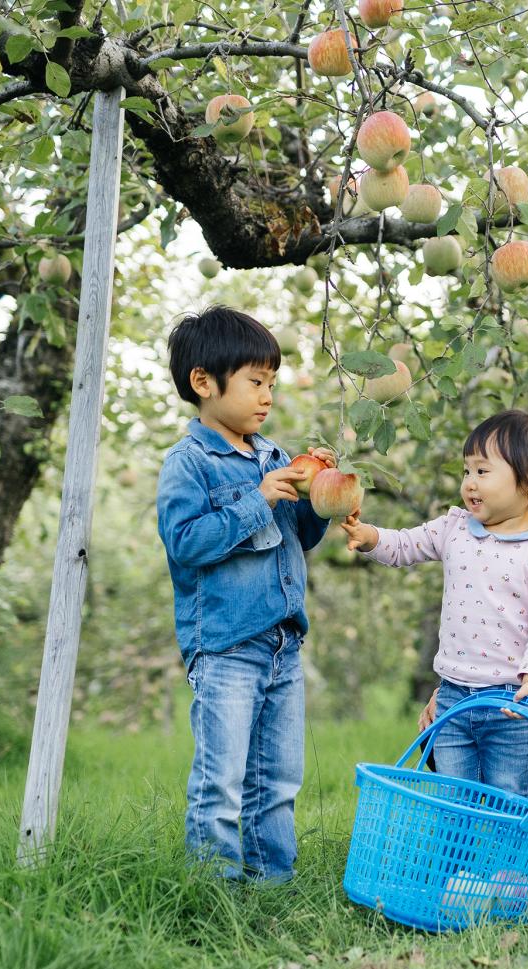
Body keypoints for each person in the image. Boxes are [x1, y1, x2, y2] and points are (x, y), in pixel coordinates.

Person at [155, 306, 335, 882]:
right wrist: (258, 499)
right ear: (203, 382)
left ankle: (272, 888)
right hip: (227, 647)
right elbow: (186, 542)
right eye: (255, 382)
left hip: (284, 644)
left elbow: (301, 539)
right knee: (222, 781)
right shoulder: (189, 464)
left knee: (279, 779)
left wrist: (319, 496)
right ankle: (214, 893)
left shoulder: (275, 455)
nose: (267, 397)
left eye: (272, 385)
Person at [341, 411, 528, 797]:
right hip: (453, 696)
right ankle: (460, 860)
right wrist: (369, 535)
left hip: (510, 706)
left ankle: (503, 860)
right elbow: (405, 545)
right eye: (466, 471)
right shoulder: (454, 528)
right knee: (453, 798)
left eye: (483, 472)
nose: (470, 483)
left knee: (507, 798)